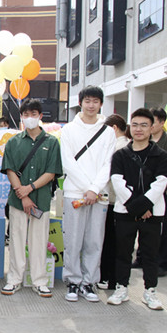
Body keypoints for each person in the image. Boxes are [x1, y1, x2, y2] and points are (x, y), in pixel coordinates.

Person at [107, 108, 167, 310]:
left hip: (153, 213)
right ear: (129, 128)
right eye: (134, 125)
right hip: (125, 213)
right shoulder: (120, 155)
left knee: (150, 254)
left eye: (144, 125)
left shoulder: (160, 155)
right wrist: (137, 207)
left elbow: (161, 182)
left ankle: (150, 291)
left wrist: (143, 205)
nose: (139, 129)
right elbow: (117, 181)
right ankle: (121, 288)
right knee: (123, 252)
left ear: (152, 128)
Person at [0, 99, 62, 298]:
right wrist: (22, 193)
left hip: (41, 199)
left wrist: (30, 188)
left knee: (39, 240)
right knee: (16, 239)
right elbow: (10, 169)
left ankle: (39, 281)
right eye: (25, 115)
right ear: (21, 117)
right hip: (18, 200)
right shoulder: (14, 142)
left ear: (40, 116)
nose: (29, 118)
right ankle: (14, 279)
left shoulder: (51, 142)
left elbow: (51, 172)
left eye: (33, 114)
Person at [60, 86, 116, 302]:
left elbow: (108, 163)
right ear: (80, 103)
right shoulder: (69, 130)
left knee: (94, 240)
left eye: (95, 101)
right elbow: (68, 162)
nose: (91, 105)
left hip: (99, 195)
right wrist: (87, 188)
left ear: (101, 104)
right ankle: (73, 281)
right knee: (73, 240)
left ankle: (89, 282)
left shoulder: (108, 132)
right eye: (87, 101)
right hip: (74, 193)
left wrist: (95, 189)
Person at [132, 108, 167, 277]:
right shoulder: (143, 141)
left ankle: (163, 263)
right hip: (144, 193)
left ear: (162, 123)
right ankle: (141, 258)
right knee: (142, 226)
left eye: (152, 122)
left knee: (164, 229)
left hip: (163, 194)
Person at [98, 114, 129, 290]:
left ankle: (108, 278)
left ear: (114, 128)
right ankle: (114, 278)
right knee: (119, 242)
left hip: (113, 200)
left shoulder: (117, 147)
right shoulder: (128, 146)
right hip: (122, 202)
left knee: (110, 241)